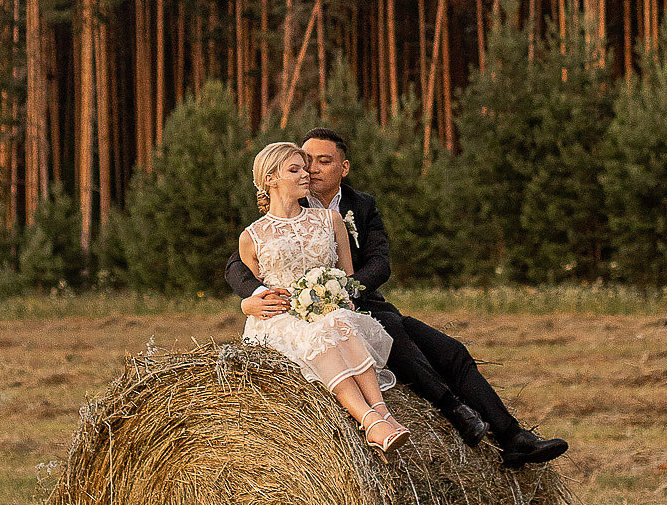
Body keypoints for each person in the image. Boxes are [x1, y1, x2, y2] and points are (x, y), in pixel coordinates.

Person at [226, 128, 568, 468]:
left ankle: (513, 437)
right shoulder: (282, 203)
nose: (310, 169)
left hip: (361, 302)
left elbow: (380, 262)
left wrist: (341, 290)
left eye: (322, 161)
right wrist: (252, 297)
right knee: (402, 346)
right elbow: (239, 263)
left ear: (344, 168)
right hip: (307, 317)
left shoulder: (360, 206)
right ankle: (456, 414)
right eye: (304, 161)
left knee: (451, 352)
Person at [238, 141, 411, 455]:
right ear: (271, 179)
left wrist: (338, 298)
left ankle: (382, 412)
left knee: (338, 321)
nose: (306, 175)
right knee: (320, 333)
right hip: (280, 321)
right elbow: (255, 289)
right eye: (295, 170)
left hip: (331, 308)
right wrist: (248, 303)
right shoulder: (252, 236)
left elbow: (347, 277)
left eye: (304, 169)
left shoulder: (330, 221)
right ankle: (369, 420)